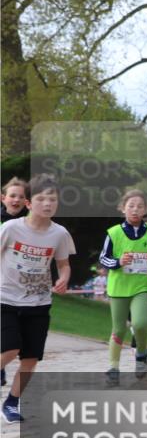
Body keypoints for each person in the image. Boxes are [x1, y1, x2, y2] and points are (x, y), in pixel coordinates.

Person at [0, 175, 75, 423]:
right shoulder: (11, 229)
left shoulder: (59, 234)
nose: (47, 204)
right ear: (29, 203)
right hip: (6, 299)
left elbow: (63, 264)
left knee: (30, 359)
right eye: (41, 199)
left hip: (39, 302)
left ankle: (11, 403)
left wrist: (63, 278)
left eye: (52, 199)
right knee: (10, 348)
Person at [100, 190, 147, 386]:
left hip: (141, 285)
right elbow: (103, 258)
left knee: (139, 323)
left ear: (146, 209)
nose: (135, 210)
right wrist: (118, 261)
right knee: (119, 329)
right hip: (119, 286)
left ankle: (142, 353)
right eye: (131, 206)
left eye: (140, 206)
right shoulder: (114, 232)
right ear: (123, 208)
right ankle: (113, 367)